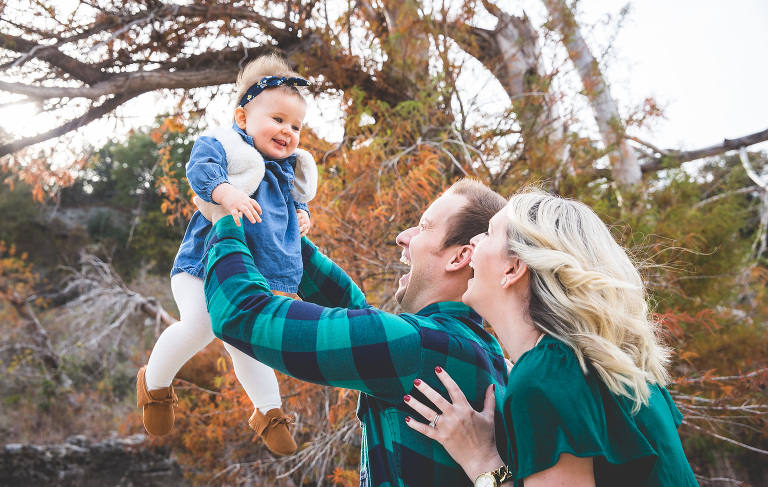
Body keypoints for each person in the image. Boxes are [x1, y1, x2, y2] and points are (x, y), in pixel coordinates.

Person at [200, 178, 511, 486]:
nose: (403, 237)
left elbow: (240, 311)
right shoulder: (482, 350)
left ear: (459, 257)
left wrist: (225, 221)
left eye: (424, 226)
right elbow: (358, 313)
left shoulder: (418, 347)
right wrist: (280, 229)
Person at [402, 188, 699, 486]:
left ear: (513, 267)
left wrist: (481, 459)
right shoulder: (611, 366)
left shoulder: (545, 379)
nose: (474, 242)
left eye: (489, 234)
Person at [136, 53, 318, 456]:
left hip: (248, 277)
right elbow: (199, 170)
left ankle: (269, 413)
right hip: (203, 265)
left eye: (296, 125)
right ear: (242, 119)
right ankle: (155, 385)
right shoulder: (226, 146)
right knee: (200, 325)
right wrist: (225, 192)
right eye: (278, 119)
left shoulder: (287, 169)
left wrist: (302, 214)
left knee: (247, 340)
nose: (287, 131)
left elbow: (291, 201)